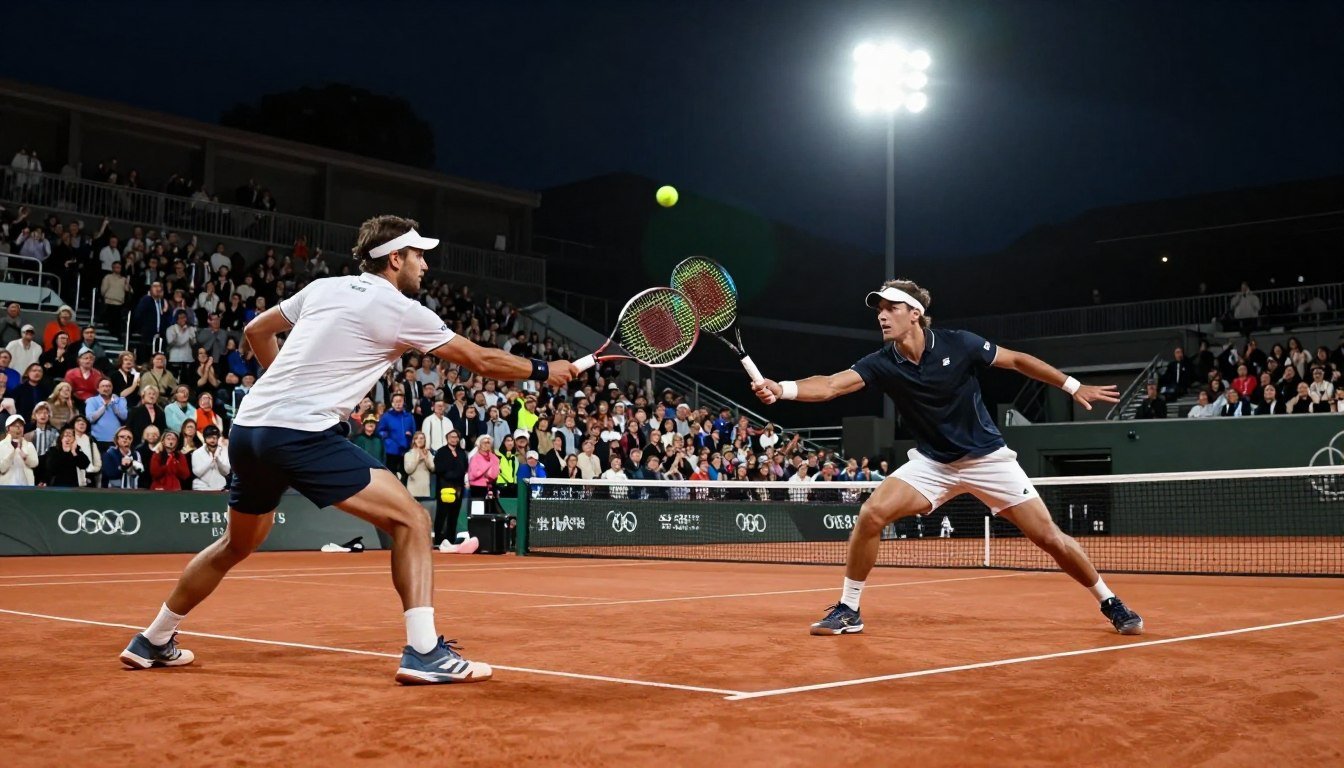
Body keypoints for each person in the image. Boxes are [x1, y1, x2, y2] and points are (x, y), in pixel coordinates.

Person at [118, 215, 577, 684]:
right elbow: (479, 359)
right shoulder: (402, 309)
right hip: (299, 435)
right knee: (413, 520)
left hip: (251, 429)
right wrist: (543, 371)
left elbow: (256, 331)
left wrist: (288, 389)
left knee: (238, 543)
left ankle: (152, 639)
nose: (425, 264)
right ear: (395, 258)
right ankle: (424, 653)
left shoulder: (323, 288)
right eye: (418, 255)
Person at [751, 279, 1141, 637]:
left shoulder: (961, 344)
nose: (882, 316)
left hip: (988, 459)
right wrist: (782, 390)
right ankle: (849, 609)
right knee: (872, 514)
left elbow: (1019, 361)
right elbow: (831, 385)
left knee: (1049, 537)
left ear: (915, 314)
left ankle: (1111, 602)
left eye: (892, 308)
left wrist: (1073, 386)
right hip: (933, 463)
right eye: (879, 309)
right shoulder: (881, 362)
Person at [432, 430, 468, 545]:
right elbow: (439, 469)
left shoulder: (461, 452)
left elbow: (464, 467)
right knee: (441, 515)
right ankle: (438, 540)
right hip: (444, 487)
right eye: (451, 437)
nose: (454, 439)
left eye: (456, 437)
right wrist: (451, 473)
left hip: (458, 488)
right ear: (447, 438)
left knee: (454, 515)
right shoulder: (441, 452)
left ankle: (451, 540)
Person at [0, 414, 39, 486]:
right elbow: (2, 468)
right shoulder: (1, 446)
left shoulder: (29, 445)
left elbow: (35, 463)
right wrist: (12, 451)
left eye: (21, 426)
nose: (19, 428)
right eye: (15, 426)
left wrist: (25, 457)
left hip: (25, 487)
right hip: (6, 488)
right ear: (8, 428)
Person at [403, 431, 435, 498]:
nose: (419, 440)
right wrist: (417, 460)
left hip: (425, 489)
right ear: (414, 440)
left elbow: (433, 468)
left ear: (424, 440)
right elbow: (408, 470)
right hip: (413, 490)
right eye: (417, 438)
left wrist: (426, 459)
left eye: (421, 438)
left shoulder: (428, 453)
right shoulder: (409, 454)